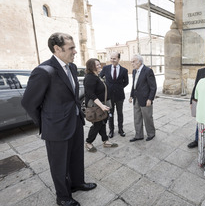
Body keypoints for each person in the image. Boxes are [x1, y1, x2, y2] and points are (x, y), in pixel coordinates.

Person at [21, 33, 96, 206]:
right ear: (57, 49)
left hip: (75, 121)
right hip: (55, 128)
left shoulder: (71, 67)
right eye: (71, 48)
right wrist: (45, 123)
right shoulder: (43, 71)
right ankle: (63, 197)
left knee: (77, 157)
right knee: (59, 165)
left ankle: (77, 183)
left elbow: (72, 96)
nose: (75, 51)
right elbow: (28, 103)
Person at [84, 58, 118, 152]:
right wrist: (102, 106)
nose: (100, 66)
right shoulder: (90, 77)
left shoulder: (96, 76)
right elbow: (91, 94)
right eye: (97, 65)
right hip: (96, 106)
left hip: (102, 104)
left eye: (99, 64)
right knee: (97, 124)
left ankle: (105, 141)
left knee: (102, 122)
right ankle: (88, 142)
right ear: (91, 66)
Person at [100, 52, 129, 138]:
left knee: (120, 113)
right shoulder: (105, 68)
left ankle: (121, 129)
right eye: (111, 58)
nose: (112, 60)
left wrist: (119, 88)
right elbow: (100, 77)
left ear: (118, 59)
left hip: (120, 96)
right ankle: (111, 130)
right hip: (109, 96)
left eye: (114, 58)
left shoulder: (124, 70)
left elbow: (126, 82)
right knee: (110, 114)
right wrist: (106, 87)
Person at [128, 54, 157, 142]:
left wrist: (150, 99)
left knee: (147, 117)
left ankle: (151, 134)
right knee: (137, 117)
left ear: (140, 62)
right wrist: (131, 95)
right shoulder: (134, 71)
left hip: (145, 99)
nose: (132, 64)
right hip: (136, 98)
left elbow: (153, 87)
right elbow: (134, 84)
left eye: (133, 62)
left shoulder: (148, 71)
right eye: (131, 62)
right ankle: (138, 135)